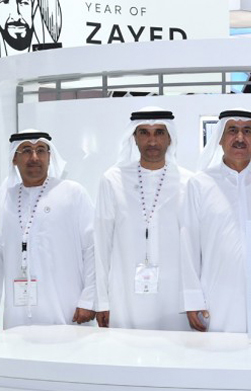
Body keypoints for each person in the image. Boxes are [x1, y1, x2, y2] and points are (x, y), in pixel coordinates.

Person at [180, 109, 251, 333]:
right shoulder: (200, 183)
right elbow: (188, 244)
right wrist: (192, 299)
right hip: (217, 296)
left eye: (247, 131)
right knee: (221, 350)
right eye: (232, 131)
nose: (240, 138)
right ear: (220, 138)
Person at [95, 107, 193, 330]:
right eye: (144, 133)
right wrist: (102, 301)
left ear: (170, 138)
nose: (152, 141)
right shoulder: (112, 180)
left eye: (159, 133)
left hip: (175, 295)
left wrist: (195, 300)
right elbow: (101, 244)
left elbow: (196, 248)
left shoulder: (189, 182)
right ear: (134, 138)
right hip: (124, 294)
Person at [0, 129, 95, 329]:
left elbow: (92, 248)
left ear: (50, 157)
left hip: (67, 309)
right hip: (18, 315)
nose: (34, 157)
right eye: (26, 150)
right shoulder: (5, 199)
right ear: (14, 159)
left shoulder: (72, 193)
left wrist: (89, 299)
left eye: (41, 150)